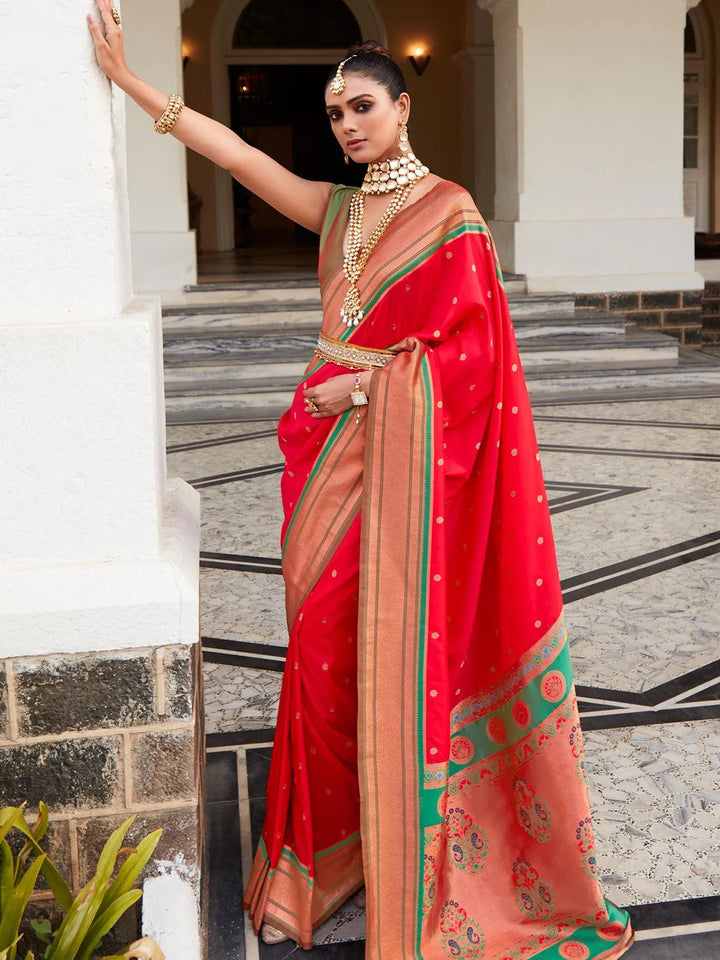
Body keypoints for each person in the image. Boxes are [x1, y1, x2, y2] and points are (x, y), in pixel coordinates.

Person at [88, 6, 635, 958]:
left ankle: (393, 838)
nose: (346, 124)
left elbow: (473, 362)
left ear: (402, 106)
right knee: (322, 647)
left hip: (390, 447)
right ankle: (332, 848)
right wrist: (135, 85)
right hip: (325, 454)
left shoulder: (451, 213)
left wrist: (369, 383)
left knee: (368, 642)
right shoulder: (338, 209)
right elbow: (236, 158)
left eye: (362, 105)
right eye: (335, 110)